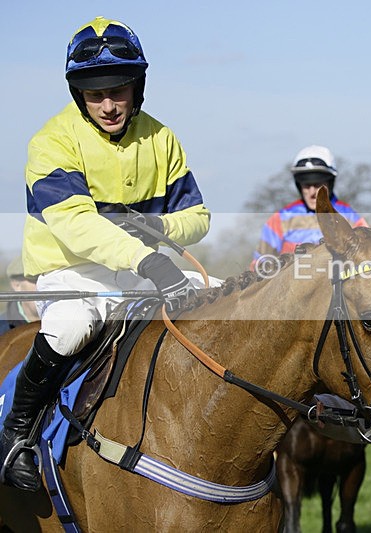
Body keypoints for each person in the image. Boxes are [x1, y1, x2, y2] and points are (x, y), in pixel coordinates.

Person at [0, 16, 211, 492]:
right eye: (96, 94)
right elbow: (74, 226)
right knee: (72, 325)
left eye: (119, 89)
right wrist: (150, 260)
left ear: (138, 87)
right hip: (71, 272)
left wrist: (160, 226)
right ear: (79, 94)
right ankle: (15, 434)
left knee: (220, 300)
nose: (109, 104)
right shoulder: (51, 141)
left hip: (142, 272)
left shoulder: (162, 138)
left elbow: (199, 216)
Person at [251, 145, 366, 270]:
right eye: (306, 185)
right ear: (298, 186)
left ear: (330, 183)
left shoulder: (350, 217)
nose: (312, 192)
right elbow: (260, 265)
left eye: (318, 185)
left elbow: (367, 257)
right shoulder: (280, 219)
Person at [0, 257, 40, 334]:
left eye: (47, 280)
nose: (43, 286)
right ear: (16, 285)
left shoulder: (66, 322)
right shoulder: (2, 330)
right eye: (35, 280)